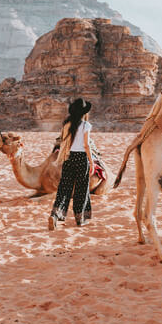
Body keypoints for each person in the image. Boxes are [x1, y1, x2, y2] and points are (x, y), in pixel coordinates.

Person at [49, 98, 94, 229]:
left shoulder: (66, 124)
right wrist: (91, 162)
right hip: (81, 159)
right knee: (81, 189)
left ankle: (55, 215)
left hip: (69, 158)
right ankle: (80, 219)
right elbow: (86, 145)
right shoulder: (86, 125)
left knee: (64, 188)